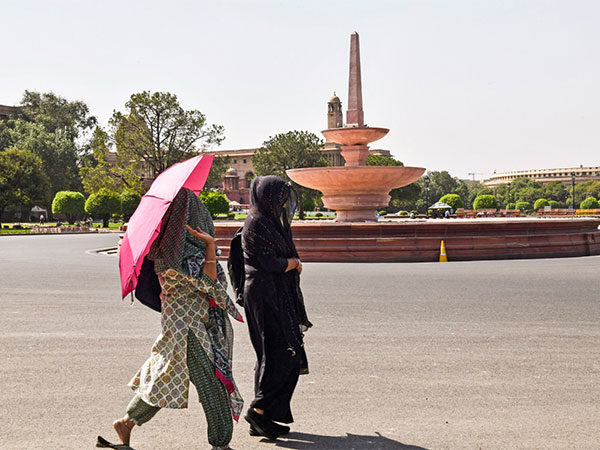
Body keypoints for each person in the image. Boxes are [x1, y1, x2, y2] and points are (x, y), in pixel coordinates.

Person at [98, 188, 243, 450]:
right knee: (211, 382)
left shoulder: (166, 247)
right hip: (189, 329)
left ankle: (126, 423)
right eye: (196, 211)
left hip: (178, 325)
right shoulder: (181, 254)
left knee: (165, 377)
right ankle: (221, 444)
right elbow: (209, 281)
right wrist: (210, 243)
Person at [241, 176, 312, 439]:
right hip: (263, 295)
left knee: (284, 354)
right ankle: (258, 410)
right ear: (267, 197)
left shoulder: (270, 222)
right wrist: (292, 263)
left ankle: (263, 418)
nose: (283, 205)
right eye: (279, 199)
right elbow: (269, 263)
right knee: (279, 354)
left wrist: (291, 262)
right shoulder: (257, 223)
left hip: (275, 294)